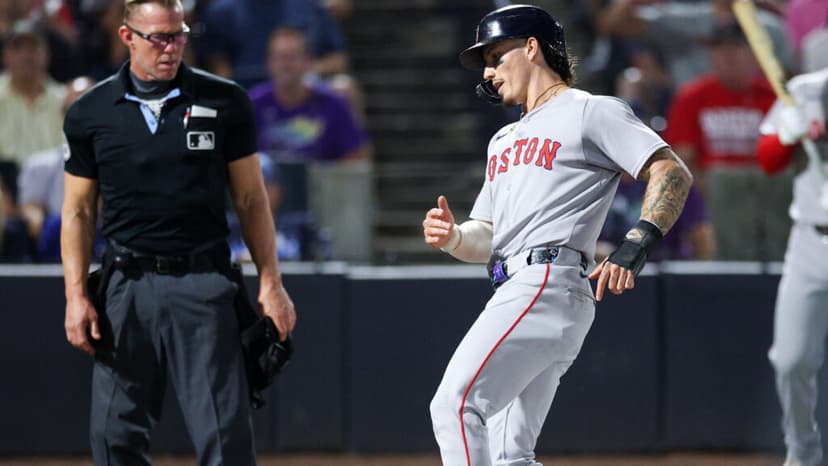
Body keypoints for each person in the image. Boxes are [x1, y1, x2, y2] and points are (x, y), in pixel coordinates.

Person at [421, 5, 692, 466]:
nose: (488, 72)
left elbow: (670, 170)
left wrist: (637, 243)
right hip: (525, 284)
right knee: (510, 454)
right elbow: (487, 236)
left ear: (531, 47)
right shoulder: (503, 139)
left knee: (454, 405)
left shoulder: (590, 111)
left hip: (546, 283)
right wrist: (453, 238)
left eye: (495, 56)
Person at [60, 0, 297, 464]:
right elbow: (79, 212)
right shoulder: (90, 112)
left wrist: (272, 282)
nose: (172, 48)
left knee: (225, 440)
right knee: (112, 439)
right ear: (128, 37)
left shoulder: (224, 100)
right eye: (159, 38)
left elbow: (251, 199)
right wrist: (74, 294)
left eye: (180, 35)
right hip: (125, 288)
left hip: (203, 285)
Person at [664, 19, 790, 261]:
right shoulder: (693, 96)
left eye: (735, 48)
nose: (726, 55)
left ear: (755, 54)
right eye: (718, 48)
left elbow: (787, 159)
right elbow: (682, 159)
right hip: (714, 200)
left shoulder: (774, 96)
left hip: (768, 195)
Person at [758, 60, 828, 466]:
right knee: (791, 359)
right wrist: (787, 135)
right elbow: (768, 161)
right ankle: (803, 449)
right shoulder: (805, 90)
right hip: (810, 239)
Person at [18, 76, 96, 261]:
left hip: (110, 243)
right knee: (57, 226)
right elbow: (31, 208)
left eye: (91, 110)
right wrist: (37, 220)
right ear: (63, 115)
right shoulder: (40, 164)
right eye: (74, 110)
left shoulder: (124, 161)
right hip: (61, 246)